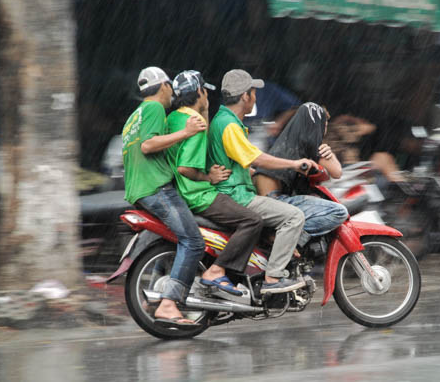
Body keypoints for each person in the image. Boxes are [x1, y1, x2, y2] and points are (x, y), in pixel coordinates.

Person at [207, 69, 317, 294]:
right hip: (236, 195)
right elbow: (257, 156)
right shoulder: (229, 124)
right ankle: (273, 279)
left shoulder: (223, 120)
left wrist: (248, 170)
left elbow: (243, 160)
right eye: (254, 93)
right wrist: (294, 164)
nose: (256, 98)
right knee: (294, 216)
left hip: (234, 191)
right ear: (245, 96)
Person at [122, 66, 207, 329]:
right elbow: (148, 145)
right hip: (156, 189)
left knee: (174, 241)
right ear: (164, 87)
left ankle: (154, 299)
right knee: (193, 241)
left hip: (139, 191)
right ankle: (170, 304)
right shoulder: (154, 109)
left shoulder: (132, 118)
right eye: (170, 87)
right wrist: (186, 132)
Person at [166, 70, 263, 295]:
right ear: (200, 92)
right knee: (253, 221)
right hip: (199, 194)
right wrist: (207, 177)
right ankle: (217, 271)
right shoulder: (196, 123)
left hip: (180, 192)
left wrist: (207, 110)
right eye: (205, 92)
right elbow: (185, 168)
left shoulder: (174, 118)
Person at [253, 103, 348, 250]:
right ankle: (284, 240)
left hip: (264, 201)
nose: (325, 129)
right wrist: (329, 153)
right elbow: (337, 172)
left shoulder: (283, 142)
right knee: (338, 212)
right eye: (324, 124)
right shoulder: (309, 146)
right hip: (276, 201)